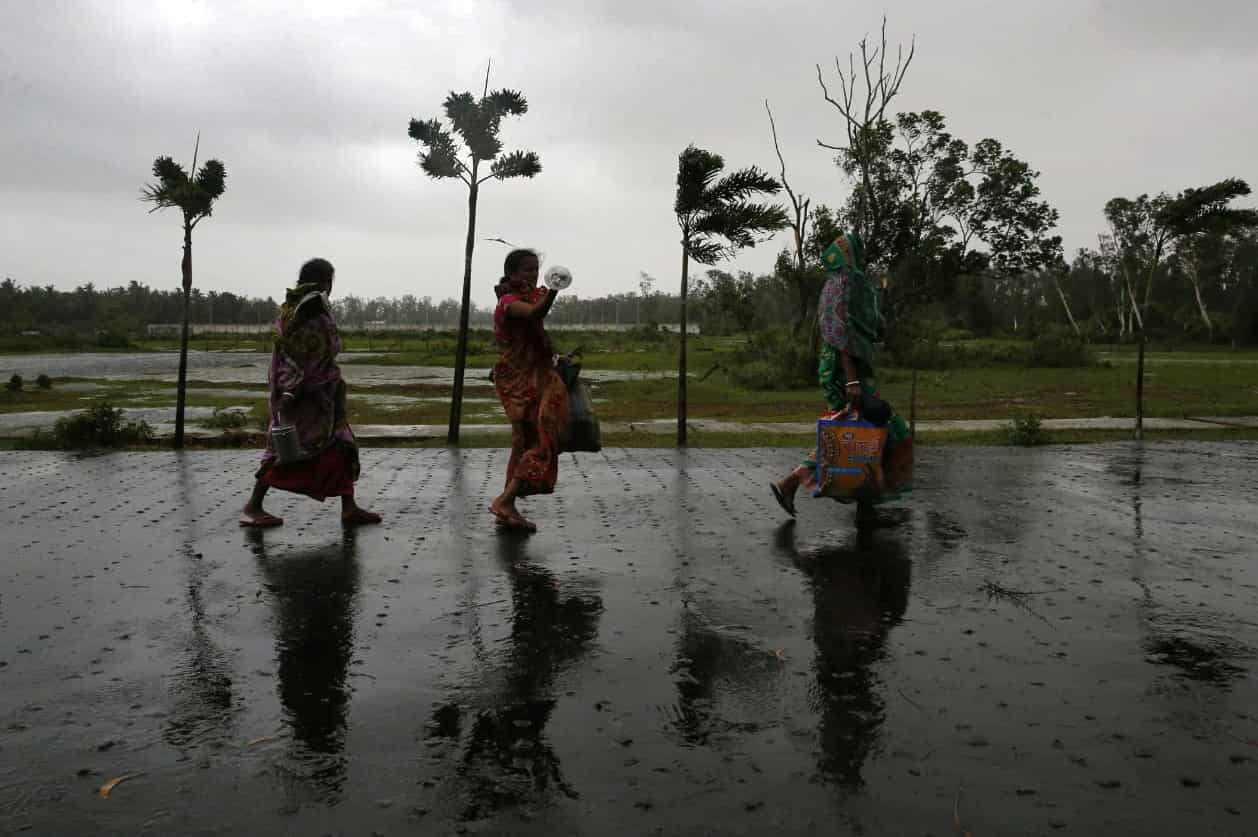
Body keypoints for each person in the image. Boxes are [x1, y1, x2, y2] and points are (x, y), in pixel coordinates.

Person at [770, 232, 912, 516]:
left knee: (854, 432)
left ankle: (861, 503)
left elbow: (859, 327)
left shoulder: (834, 284)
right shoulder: (848, 283)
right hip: (847, 374)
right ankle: (861, 498)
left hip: (838, 372)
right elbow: (842, 334)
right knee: (876, 430)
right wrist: (852, 380)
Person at [240, 258, 382, 527]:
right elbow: (303, 354)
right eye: (331, 281)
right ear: (325, 281)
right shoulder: (307, 311)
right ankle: (252, 506)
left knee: (341, 444)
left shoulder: (297, 308)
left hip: (318, 394)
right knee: (287, 452)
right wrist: (305, 388)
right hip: (306, 396)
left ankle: (349, 507)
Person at [488, 249, 568, 531]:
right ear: (512, 274)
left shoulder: (528, 297)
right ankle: (506, 500)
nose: (533, 275)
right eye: (527, 271)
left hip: (536, 376)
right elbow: (535, 313)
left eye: (536, 270)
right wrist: (556, 288)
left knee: (525, 442)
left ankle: (508, 506)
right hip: (521, 381)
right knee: (541, 439)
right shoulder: (509, 302)